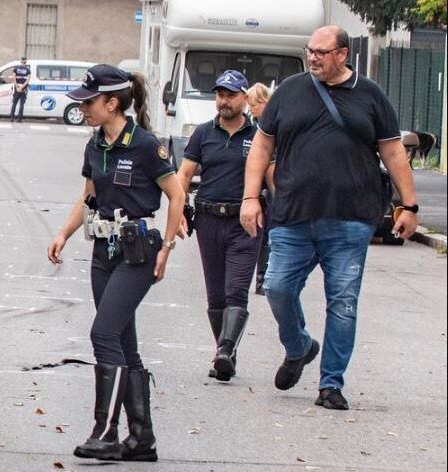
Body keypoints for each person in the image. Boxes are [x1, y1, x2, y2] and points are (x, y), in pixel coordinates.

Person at [240, 25, 420, 411]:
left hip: (351, 218)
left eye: (322, 52)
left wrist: (410, 205)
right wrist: (250, 197)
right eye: (311, 50)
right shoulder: (289, 91)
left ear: (342, 54)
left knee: (343, 302)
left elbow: (393, 152)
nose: (313, 57)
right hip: (292, 215)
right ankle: (299, 346)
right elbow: (262, 146)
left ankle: (331, 383)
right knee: (277, 287)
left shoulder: (370, 95)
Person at [48, 64, 185, 462]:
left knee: (104, 333)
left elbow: (177, 194)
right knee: (123, 342)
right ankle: (142, 439)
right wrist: (63, 233)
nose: (83, 108)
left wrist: (167, 248)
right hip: (102, 252)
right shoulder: (95, 144)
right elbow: (88, 196)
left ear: (112, 103)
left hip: (137, 250)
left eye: (88, 102)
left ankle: (106, 433)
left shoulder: (144, 145)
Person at [176, 70, 258, 382]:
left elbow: (272, 176)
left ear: (245, 98)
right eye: (220, 95)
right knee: (215, 295)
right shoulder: (202, 133)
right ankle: (226, 351)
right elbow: (184, 174)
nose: (224, 101)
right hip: (208, 219)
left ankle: (225, 349)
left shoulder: (258, 135)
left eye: (230, 95)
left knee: (236, 288)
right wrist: (179, 210)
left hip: (244, 222)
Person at [246, 82, 275, 296]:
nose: (251, 108)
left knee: (267, 235)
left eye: (254, 104)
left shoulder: (270, 126)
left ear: (264, 102)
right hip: (257, 187)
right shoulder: (251, 125)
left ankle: (263, 278)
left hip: (269, 187)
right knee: (259, 235)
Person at [9, 57, 31, 123]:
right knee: (21, 104)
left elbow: (14, 78)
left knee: (14, 103)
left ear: (21, 61)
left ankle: (12, 118)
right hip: (24, 88)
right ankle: (19, 119)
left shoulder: (16, 69)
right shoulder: (28, 70)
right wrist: (22, 87)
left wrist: (17, 87)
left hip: (17, 87)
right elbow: (28, 80)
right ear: (26, 62)